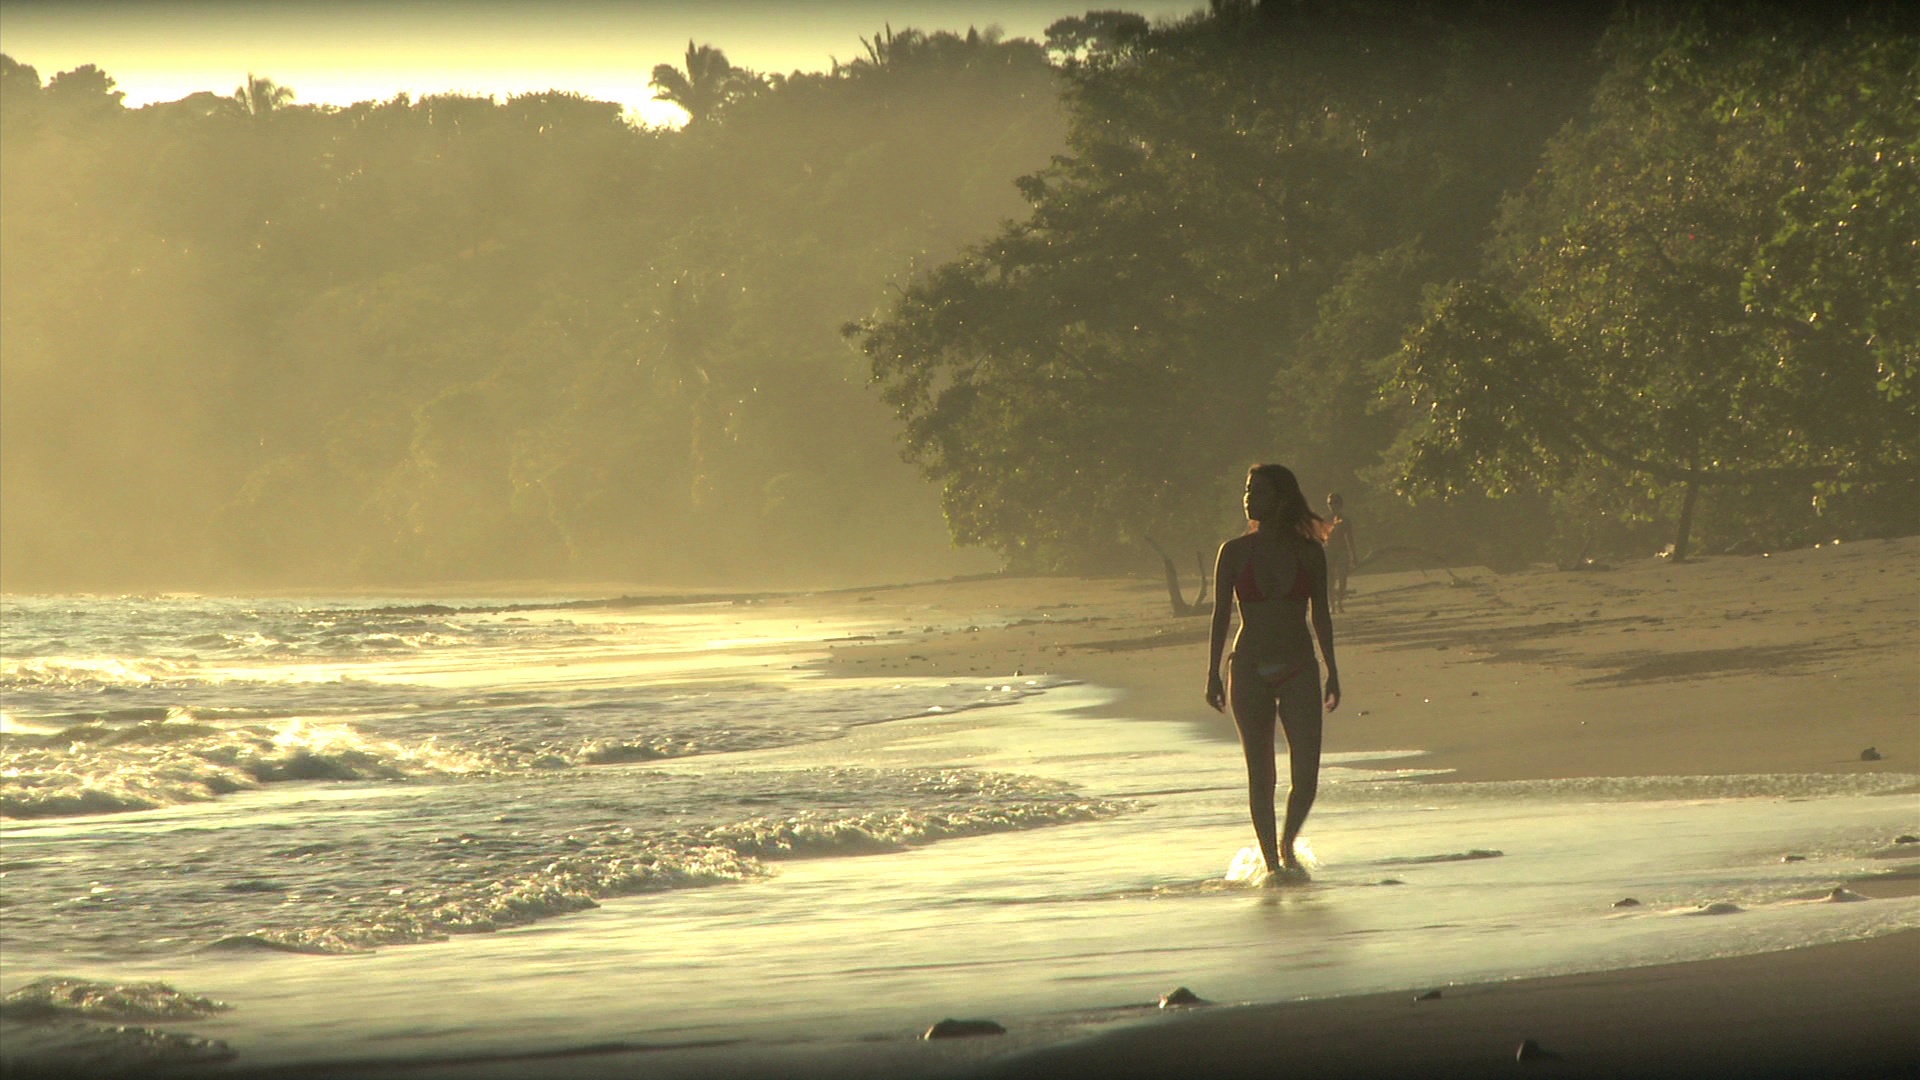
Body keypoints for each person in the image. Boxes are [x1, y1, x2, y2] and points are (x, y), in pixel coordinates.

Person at [1205, 464, 1341, 880]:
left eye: (1258, 491)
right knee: (1260, 773)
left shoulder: (1308, 553)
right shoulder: (1233, 553)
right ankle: (1272, 863)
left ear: (1280, 498)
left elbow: (1321, 613)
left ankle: (1287, 843)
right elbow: (1220, 614)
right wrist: (1212, 671)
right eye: (1247, 490)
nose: (1248, 498)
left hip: (1299, 665)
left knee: (1307, 773)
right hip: (1247, 667)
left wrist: (1332, 670)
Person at [1324, 492, 1358, 613]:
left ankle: (1339, 603)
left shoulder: (1345, 520)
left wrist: (1353, 555)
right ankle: (1332, 604)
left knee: (1343, 579)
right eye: (1330, 503)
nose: (1332, 506)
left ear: (1340, 504)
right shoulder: (1325, 519)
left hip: (1342, 551)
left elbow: (1350, 538)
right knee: (1330, 579)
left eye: (1335, 503)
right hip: (1329, 551)